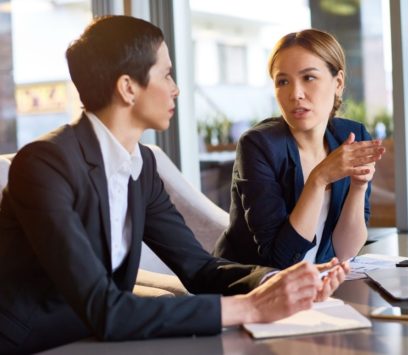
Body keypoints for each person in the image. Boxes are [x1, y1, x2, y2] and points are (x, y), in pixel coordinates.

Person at [0, 16, 348, 354]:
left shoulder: (141, 165)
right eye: (166, 74)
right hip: (34, 343)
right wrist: (249, 308)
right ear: (127, 88)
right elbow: (105, 309)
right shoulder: (44, 164)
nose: (176, 88)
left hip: (98, 339)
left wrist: (277, 282)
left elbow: (198, 267)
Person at [213, 29, 385, 269]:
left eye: (309, 78)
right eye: (283, 82)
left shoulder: (350, 137)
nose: (295, 94)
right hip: (253, 289)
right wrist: (319, 178)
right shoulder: (259, 145)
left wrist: (358, 187)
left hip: (316, 283)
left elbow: (345, 252)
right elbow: (280, 260)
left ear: (338, 82)